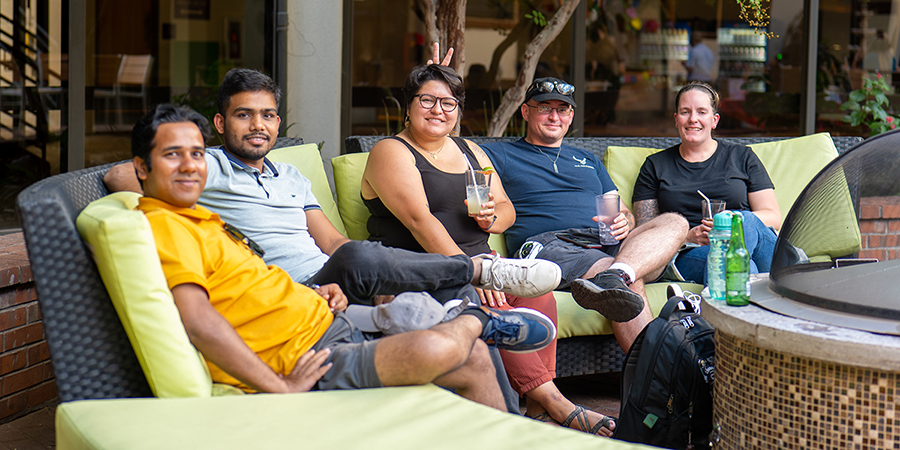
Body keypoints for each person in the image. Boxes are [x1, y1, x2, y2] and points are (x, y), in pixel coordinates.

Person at [104, 67, 561, 413]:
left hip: (326, 284)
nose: (257, 125)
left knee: (364, 257)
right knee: (387, 267)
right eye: (243, 115)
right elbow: (118, 174)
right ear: (220, 124)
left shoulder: (290, 175)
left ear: (279, 122)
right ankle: (477, 280)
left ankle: (508, 421)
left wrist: (376, 273)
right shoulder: (207, 172)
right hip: (298, 304)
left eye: (266, 115)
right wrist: (190, 174)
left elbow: (331, 241)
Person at [360, 63, 613, 436]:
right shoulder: (391, 151)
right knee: (489, 305)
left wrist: (491, 220)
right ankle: (557, 404)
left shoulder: (470, 151)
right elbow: (420, 222)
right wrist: (472, 271)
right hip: (421, 266)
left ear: (459, 111)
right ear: (409, 105)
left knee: (538, 296)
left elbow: (507, 210)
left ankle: (536, 407)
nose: (438, 110)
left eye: (448, 103)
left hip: (483, 263)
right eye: (427, 100)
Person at [480, 77, 689, 353]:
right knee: (627, 280)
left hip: (604, 242)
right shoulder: (500, 153)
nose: (554, 116)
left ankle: (618, 272)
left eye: (562, 110)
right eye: (545, 108)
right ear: (525, 111)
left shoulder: (587, 159)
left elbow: (621, 210)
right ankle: (655, 375)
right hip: (551, 245)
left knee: (675, 222)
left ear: (571, 116)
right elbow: (445, 149)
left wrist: (624, 220)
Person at [632, 81, 780, 283]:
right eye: (685, 112)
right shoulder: (655, 166)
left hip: (756, 246)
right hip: (693, 252)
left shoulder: (742, 157)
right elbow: (644, 234)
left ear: (714, 120)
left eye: (702, 112)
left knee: (744, 222)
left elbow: (773, 216)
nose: (693, 119)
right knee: (743, 266)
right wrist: (686, 237)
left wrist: (730, 222)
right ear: (676, 120)